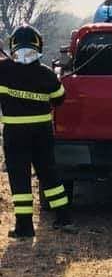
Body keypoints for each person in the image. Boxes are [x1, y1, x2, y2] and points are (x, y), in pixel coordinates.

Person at [0, 25, 75, 238]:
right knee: (49, 174)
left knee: (19, 178)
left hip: (15, 134)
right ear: (38, 45)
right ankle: (64, 218)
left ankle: (24, 227)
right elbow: (60, 98)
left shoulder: (3, 70)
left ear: (13, 46)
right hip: (42, 133)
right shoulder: (47, 74)